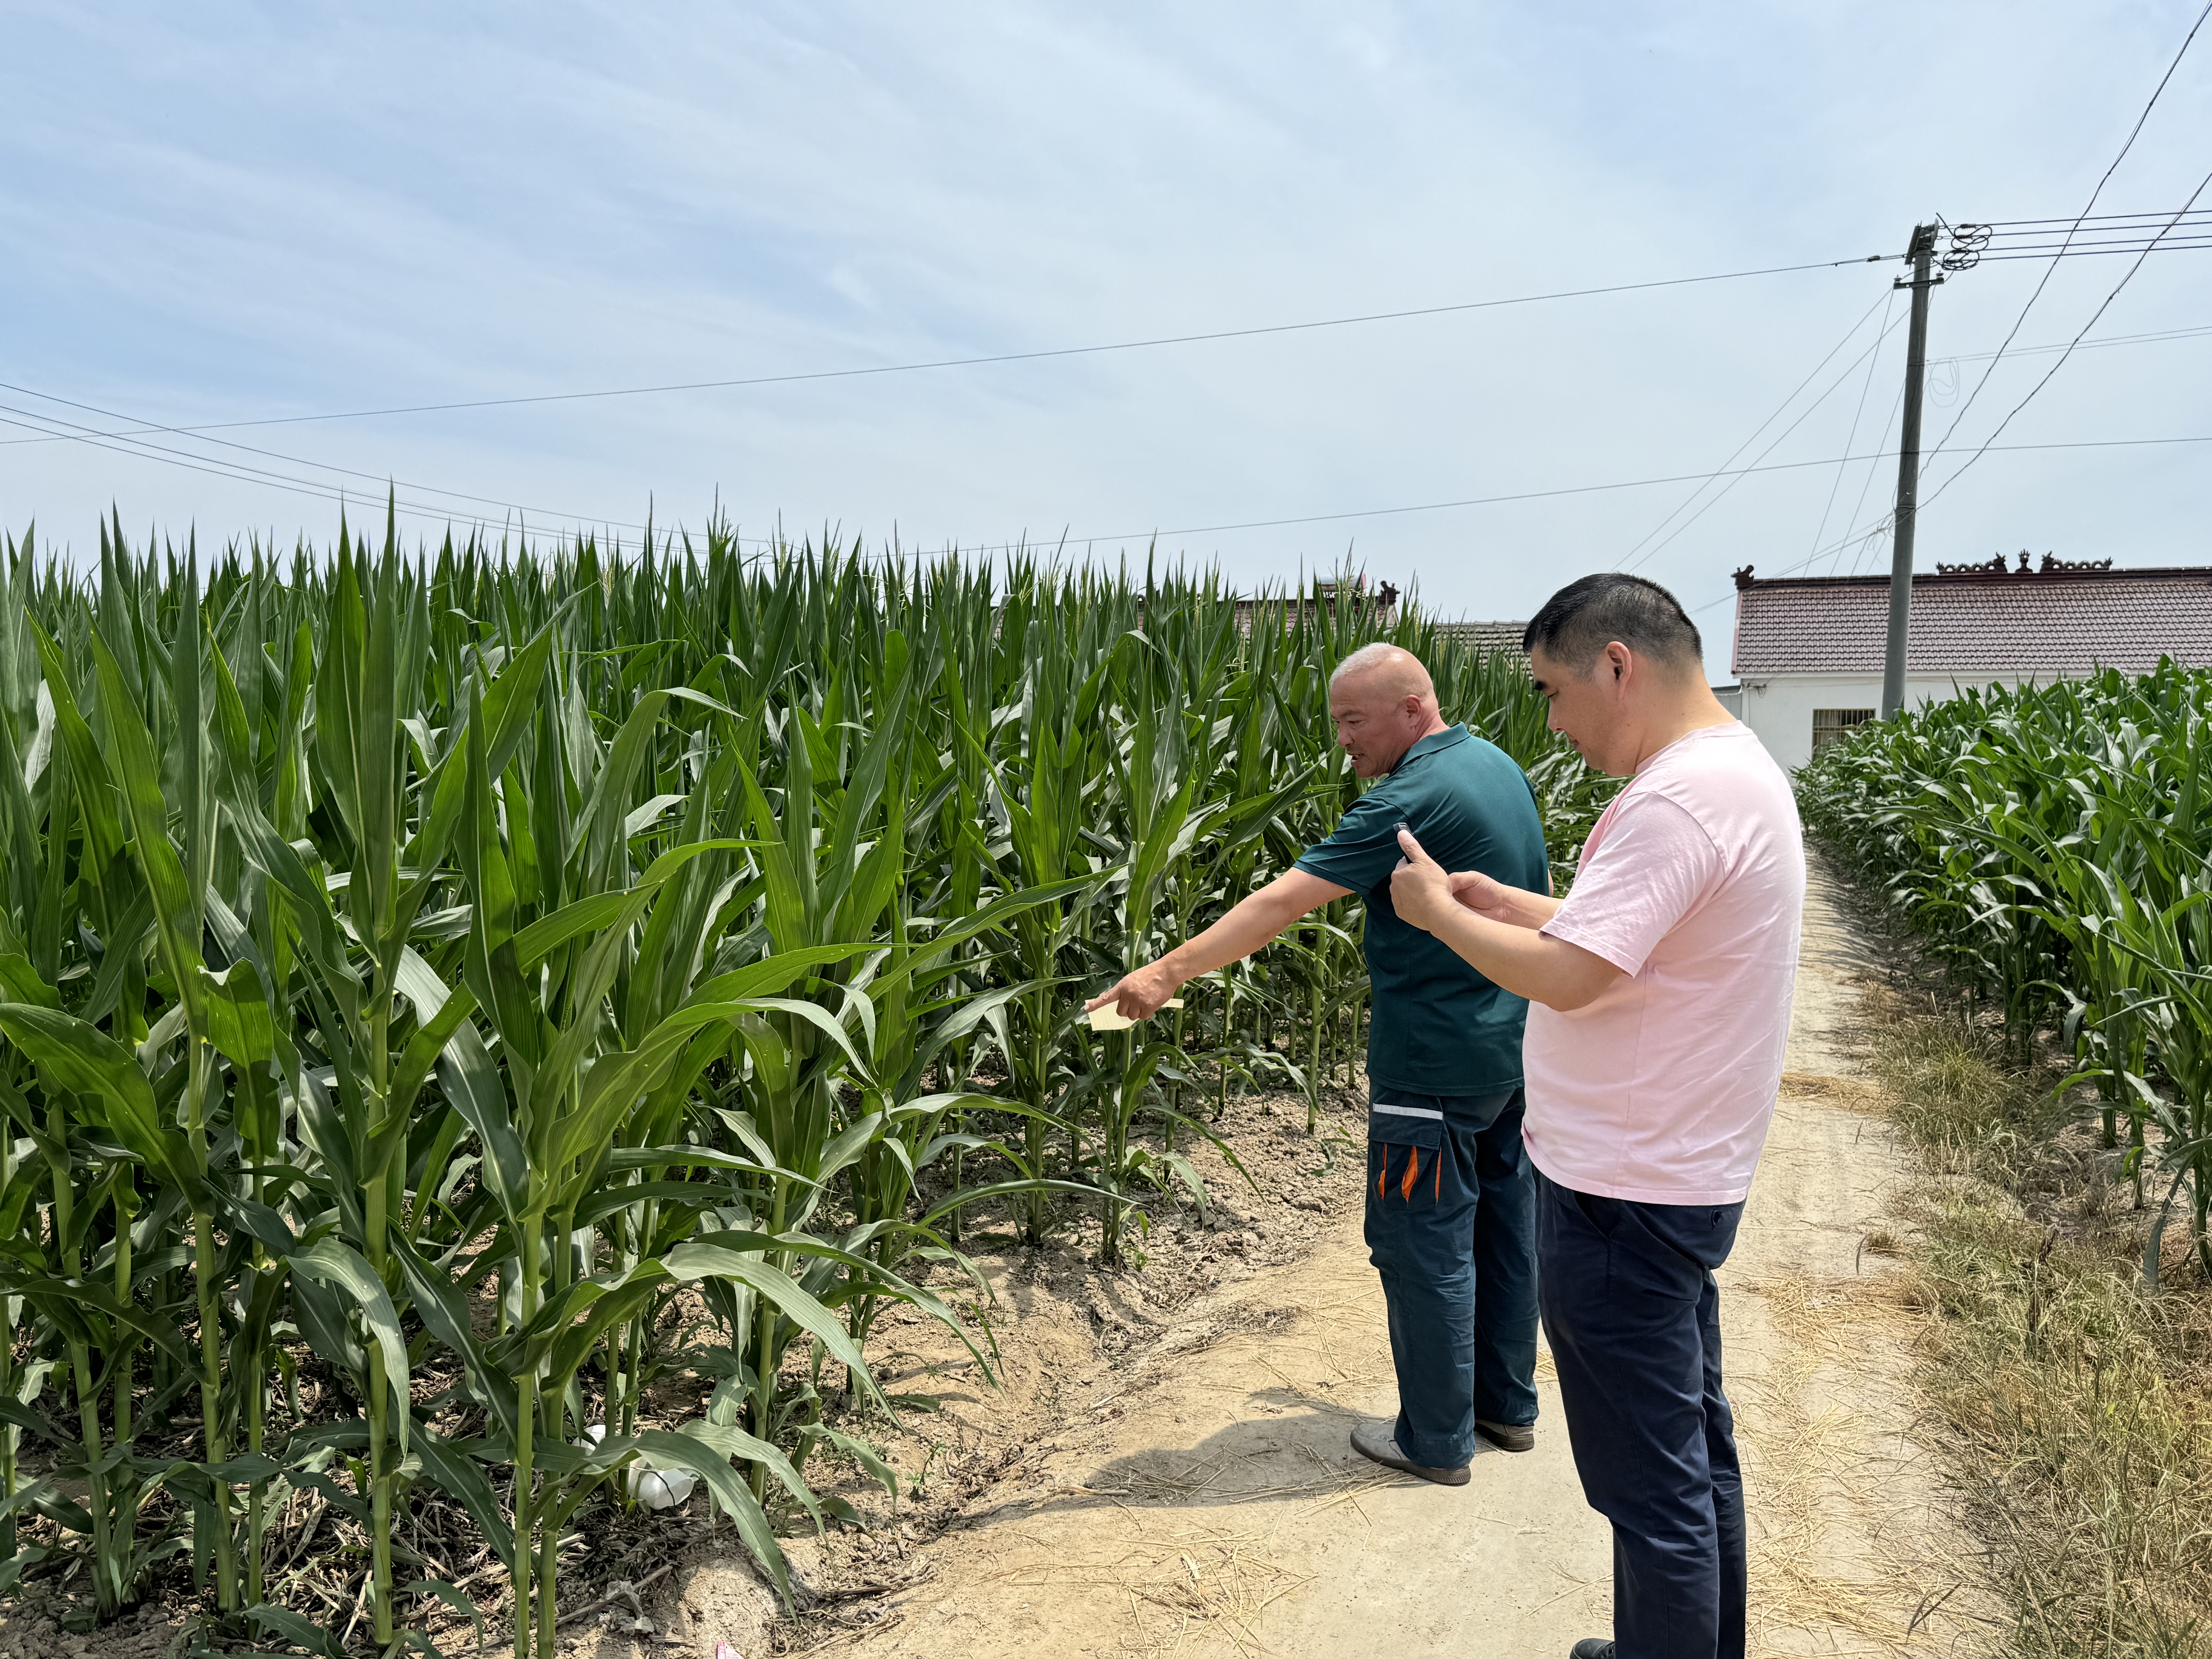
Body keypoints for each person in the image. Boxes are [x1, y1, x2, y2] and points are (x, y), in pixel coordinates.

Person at [1386, 572, 1804, 1659]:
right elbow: (1626, 937)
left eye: (1553, 691)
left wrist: (1435, 912)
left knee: (1649, 1487)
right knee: (1691, 1450)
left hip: (1624, 1190)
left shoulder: (1673, 798)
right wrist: (1503, 899)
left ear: (1617, 663)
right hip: (1676, 1176)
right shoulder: (1734, 769)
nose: (1553, 722)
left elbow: (1571, 978)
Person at [1085, 641, 1550, 1483]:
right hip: (1510, 1050)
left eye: (1354, 721)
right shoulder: (1496, 765)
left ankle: (1435, 1441)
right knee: (1504, 1230)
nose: (1342, 740)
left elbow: (1280, 902)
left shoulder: (1405, 800)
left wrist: (1164, 972)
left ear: (1413, 710)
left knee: (1423, 1245)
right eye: (1337, 721)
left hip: (1429, 1064)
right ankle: (1505, 1409)